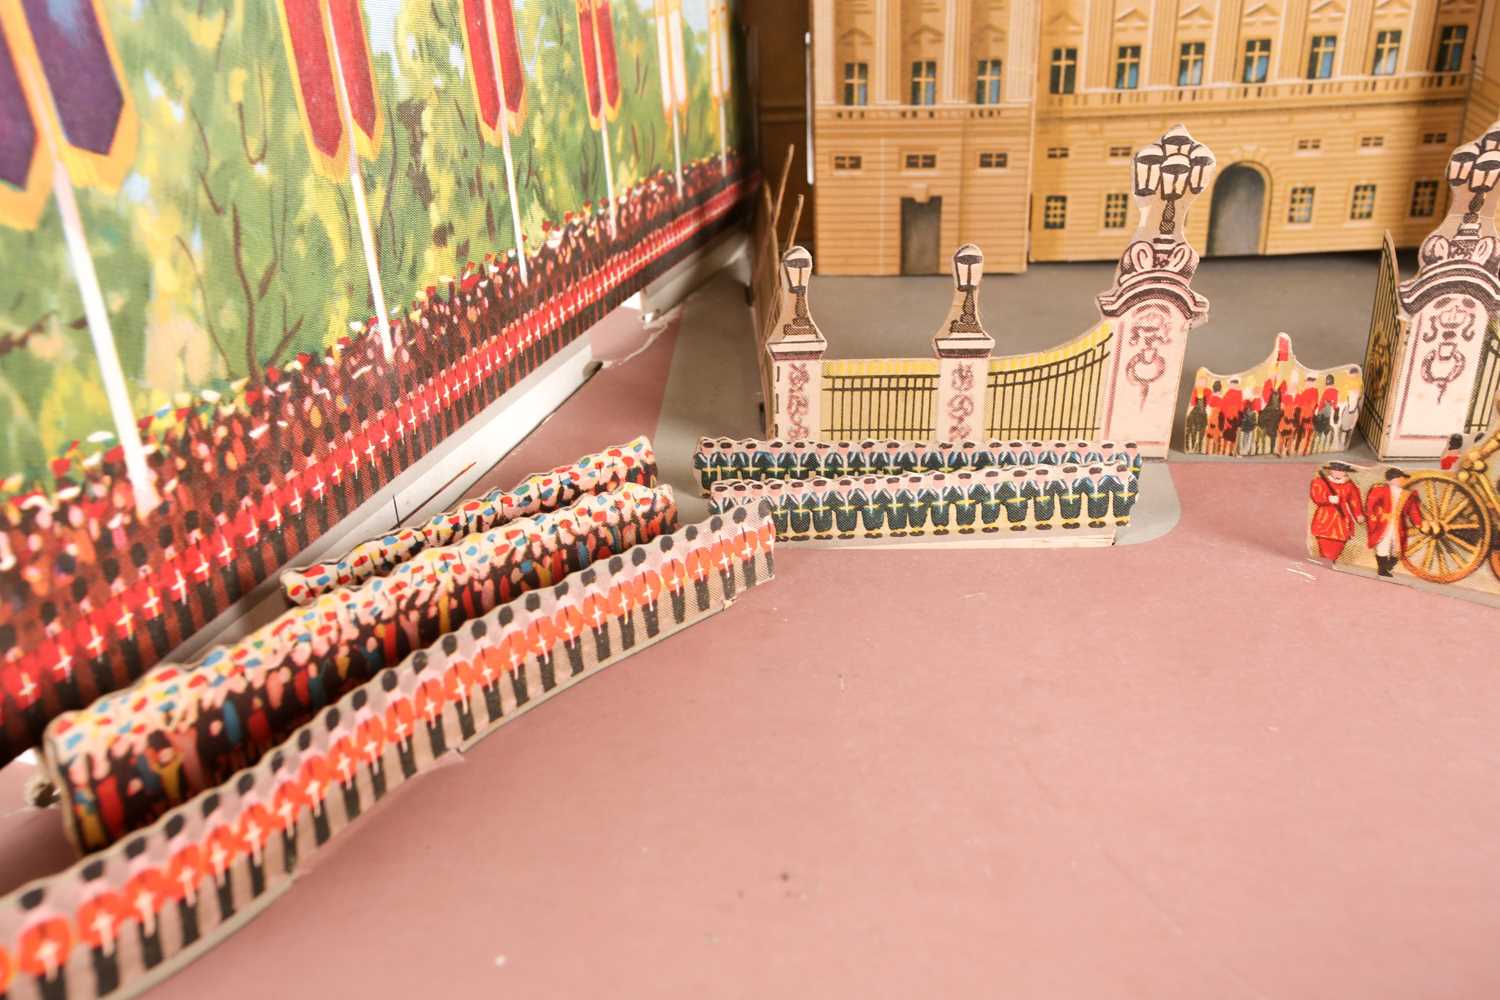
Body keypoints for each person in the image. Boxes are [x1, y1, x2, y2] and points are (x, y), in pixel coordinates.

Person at [1309, 461, 1365, 561]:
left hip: (1342, 520)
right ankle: (1326, 560)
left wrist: (1359, 515)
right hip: (1325, 518)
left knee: (1338, 546)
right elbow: (1316, 497)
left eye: (1341, 471)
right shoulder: (1320, 482)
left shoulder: (1349, 485)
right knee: (1325, 545)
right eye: (1336, 470)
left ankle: (1331, 560)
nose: (1338, 473)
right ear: (1331, 470)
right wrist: (1328, 499)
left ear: (1345, 472)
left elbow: (1355, 501)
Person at [1365, 467, 1413, 577]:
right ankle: (1382, 569)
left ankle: (1389, 565)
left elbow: (1411, 509)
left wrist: (1419, 523)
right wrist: (1376, 517)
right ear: (1393, 480)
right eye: (1400, 479)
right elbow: (1370, 506)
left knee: (1398, 546)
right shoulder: (1380, 490)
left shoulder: (1405, 493)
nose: (1402, 481)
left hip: (1398, 524)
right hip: (1384, 523)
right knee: (1384, 544)